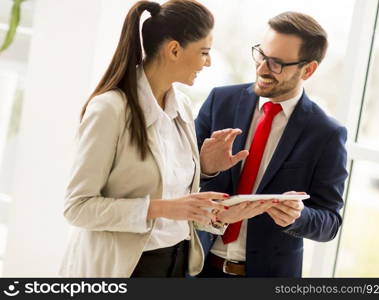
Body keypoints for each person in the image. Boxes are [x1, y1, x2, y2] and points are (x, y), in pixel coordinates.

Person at [59, 0, 251, 278]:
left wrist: (215, 210)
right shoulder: (110, 109)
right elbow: (77, 208)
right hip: (122, 269)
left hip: (175, 264)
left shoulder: (182, 106)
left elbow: (175, 202)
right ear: (174, 49)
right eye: (204, 52)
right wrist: (161, 208)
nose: (208, 62)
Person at [195, 11, 348, 277]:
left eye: (277, 63)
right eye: (261, 55)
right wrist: (207, 169)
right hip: (199, 266)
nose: (263, 68)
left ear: (308, 69)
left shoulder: (326, 134)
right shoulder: (220, 101)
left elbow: (330, 223)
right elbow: (176, 178)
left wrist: (299, 216)